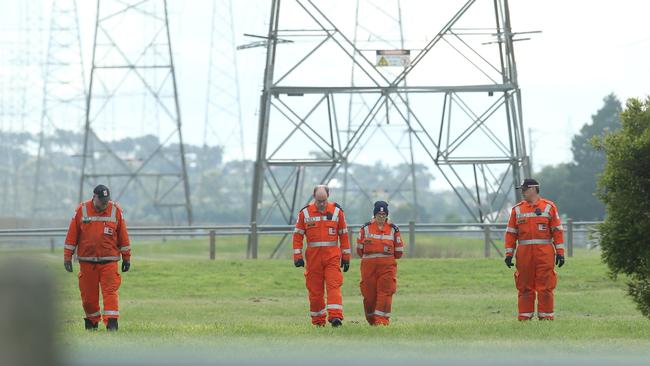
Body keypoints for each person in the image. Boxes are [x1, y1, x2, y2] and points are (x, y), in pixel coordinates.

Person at [63, 184, 131, 331]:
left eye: (106, 200)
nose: (105, 203)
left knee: (110, 292)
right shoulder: (82, 210)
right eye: (102, 201)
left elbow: (123, 235)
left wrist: (127, 257)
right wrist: (67, 257)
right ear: (94, 197)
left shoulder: (115, 210)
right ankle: (92, 322)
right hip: (87, 263)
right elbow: (72, 234)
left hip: (109, 261)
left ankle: (112, 324)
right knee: (88, 297)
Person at [504, 178, 565, 320]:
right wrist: (509, 254)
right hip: (524, 255)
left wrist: (560, 253)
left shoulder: (549, 207)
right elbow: (511, 233)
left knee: (546, 286)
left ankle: (546, 318)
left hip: (545, 253)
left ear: (533, 189)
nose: (523, 192)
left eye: (524, 189)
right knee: (524, 286)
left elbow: (557, 231)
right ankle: (524, 318)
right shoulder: (517, 210)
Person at [292, 185, 351, 327]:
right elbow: (298, 236)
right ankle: (318, 321)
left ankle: (336, 318)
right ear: (314, 198)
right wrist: (297, 256)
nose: (321, 204)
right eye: (319, 201)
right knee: (315, 291)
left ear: (328, 197)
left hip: (332, 257)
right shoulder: (305, 214)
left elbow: (343, 235)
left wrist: (346, 257)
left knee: (334, 286)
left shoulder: (337, 212)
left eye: (324, 200)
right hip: (313, 260)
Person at [356, 201, 403, 325]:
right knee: (369, 294)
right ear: (374, 215)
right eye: (379, 214)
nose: (381, 217)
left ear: (387, 215)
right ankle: (372, 320)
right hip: (368, 267)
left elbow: (399, 252)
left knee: (385, 292)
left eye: (383, 215)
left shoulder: (394, 229)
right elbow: (359, 250)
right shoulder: (365, 229)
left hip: (387, 266)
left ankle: (382, 321)